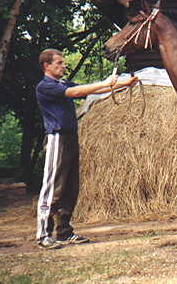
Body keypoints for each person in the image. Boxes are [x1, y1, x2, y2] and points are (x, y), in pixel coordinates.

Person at [35, 49, 138, 249]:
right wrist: (105, 82)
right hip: (57, 140)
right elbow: (75, 93)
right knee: (52, 189)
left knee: (71, 188)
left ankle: (64, 232)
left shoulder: (61, 83)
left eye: (63, 62)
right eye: (59, 63)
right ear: (47, 66)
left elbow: (90, 90)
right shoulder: (44, 86)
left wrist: (123, 84)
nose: (63, 65)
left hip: (71, 139)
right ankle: (43, 235)